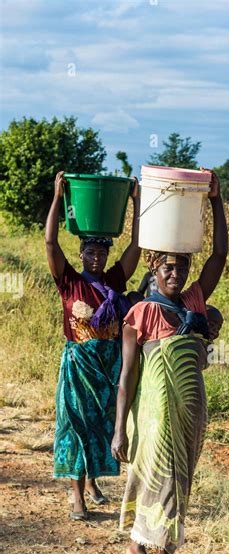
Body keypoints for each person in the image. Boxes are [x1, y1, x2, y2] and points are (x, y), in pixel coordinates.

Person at [112, 170, 228, 554]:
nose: (175, 274)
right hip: (155, 415)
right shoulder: (140, 313)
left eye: (180, 267)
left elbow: (219, 255)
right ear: (154, 270)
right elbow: (127, 378)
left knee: (178, 482)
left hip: (191, 414)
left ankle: (138, 544)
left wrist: (216, 200)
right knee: (161, 480)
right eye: (167, 268)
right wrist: (119, 428)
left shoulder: (195, 303)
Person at [46, 170, 141, 520]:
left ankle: (92, 482)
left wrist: (136, 202)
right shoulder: (69, 282)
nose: (97, 258)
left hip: (107, 365)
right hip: (77, 365)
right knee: (74, 424)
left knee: (102, 423)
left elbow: (135, 248)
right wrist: (58, 198)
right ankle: (77, 496)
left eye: (102, 252)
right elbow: (50, 245)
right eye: (91, 252)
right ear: (82, 254)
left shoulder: (114, 281)